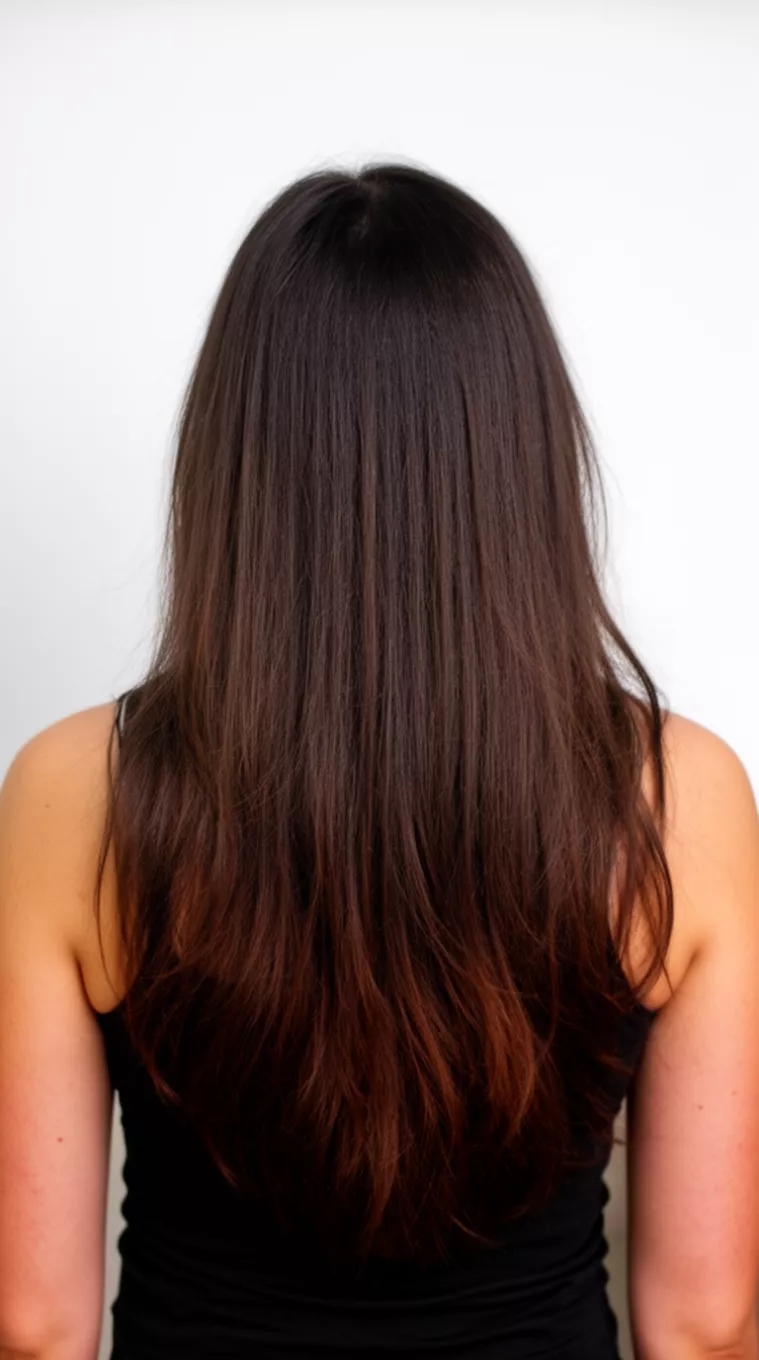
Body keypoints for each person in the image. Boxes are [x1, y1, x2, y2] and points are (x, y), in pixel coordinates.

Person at [1, 162, 758, 1360]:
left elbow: (35, 1325)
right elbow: (705, 1325)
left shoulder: (68, 791)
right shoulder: (680, 798)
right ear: (518, 456)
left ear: (238, 458)